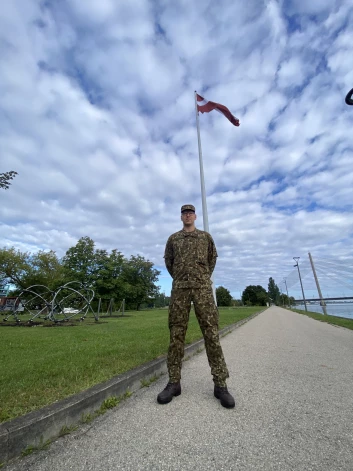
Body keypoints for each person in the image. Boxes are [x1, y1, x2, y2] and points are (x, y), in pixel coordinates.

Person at [157, 204, 235, 408]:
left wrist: (202, 277)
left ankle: (220, 385)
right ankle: (174, 383)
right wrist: (181, 277)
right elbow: (169, 261)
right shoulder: (173, 239)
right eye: (184, 213)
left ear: (195, 216)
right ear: (181, 217)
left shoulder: (205, 237)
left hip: (202, 289)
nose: (187, 215)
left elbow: (213, 258)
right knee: (176, 334)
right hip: (180, 289)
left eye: (190, 213)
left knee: (211, 334)